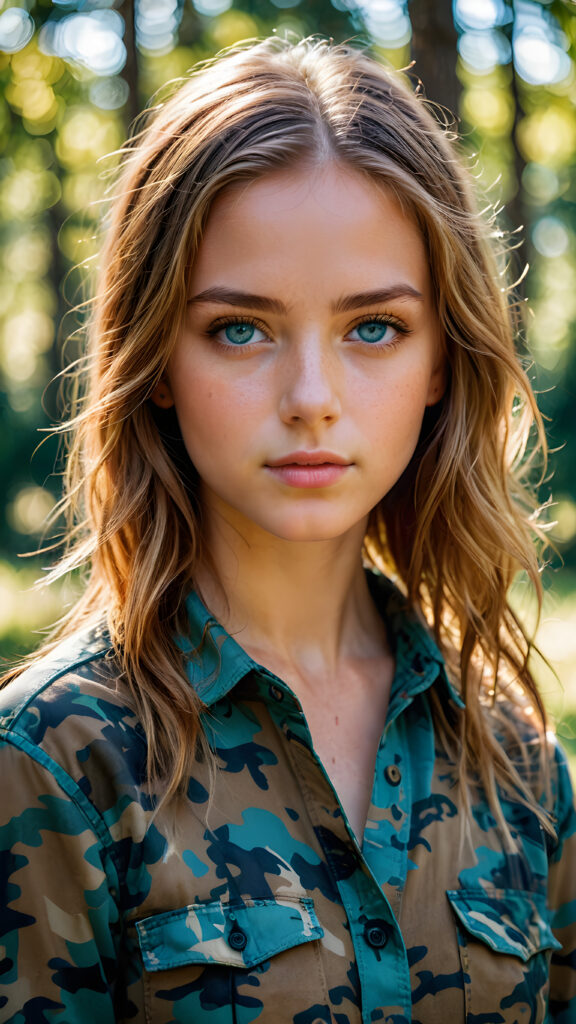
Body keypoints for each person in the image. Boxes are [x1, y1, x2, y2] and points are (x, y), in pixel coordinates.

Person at [0, 35, 574, 1024]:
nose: (312, 398)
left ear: (441, 361)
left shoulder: (516, 759)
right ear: (159, 363)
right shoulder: (56, 758)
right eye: (239, 329)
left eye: (373, 328)